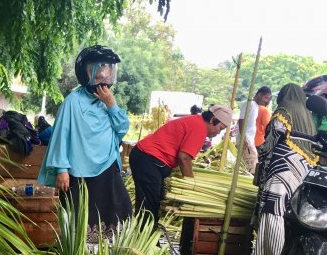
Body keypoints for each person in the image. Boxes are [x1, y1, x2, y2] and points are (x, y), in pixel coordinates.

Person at [37, 45, 131, 240]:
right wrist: (62, 169)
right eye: (98, 78)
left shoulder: (109, 102)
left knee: (119, 209)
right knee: (80, 217)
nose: (104, 83)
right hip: (79, 171)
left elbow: (122, 128)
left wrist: (111, 105)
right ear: (86, 75)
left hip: (107, 166)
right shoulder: (73, 101)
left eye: (108, 77)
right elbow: (61, 135)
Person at [252, 84, 318, 255]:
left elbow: (272, 139)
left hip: (282, 169)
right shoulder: (308, 117)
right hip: (301, 172)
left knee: (273, 213)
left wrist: (260, 153)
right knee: (286, 217)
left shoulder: (284, 111)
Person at [129, 104, 232, 224]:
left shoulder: (196, 122)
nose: (219, 133)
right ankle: (145, 236)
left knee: (152, 201)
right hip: (148, 158)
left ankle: (147, 233)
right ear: (212, 120)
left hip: (146, 157)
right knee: (149, 204)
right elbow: (184, 158)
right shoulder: (199, 127)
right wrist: (191, 186)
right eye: (221, 128)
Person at [237, 86, 273, 173]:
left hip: (250, 140)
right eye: (266, 98)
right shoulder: (249, 104)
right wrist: (243, 138)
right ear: (259, 95)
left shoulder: (256, 106)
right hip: (247, 141)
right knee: (252, 166)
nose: (267, 101)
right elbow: (241, 121)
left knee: (248, 165)